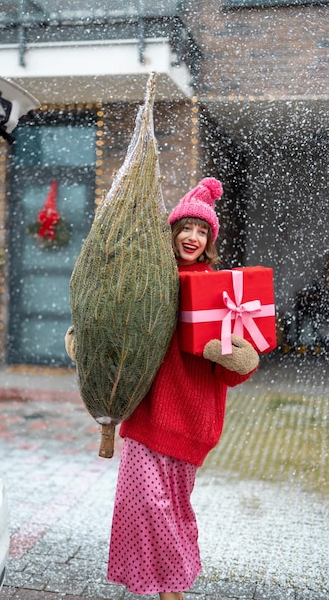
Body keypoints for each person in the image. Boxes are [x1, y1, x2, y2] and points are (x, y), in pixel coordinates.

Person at [105, 177, 259, 600]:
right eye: (186, 228)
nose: (193, 237)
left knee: (170, 513)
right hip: (146, 415)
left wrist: (237, 358)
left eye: (202, 230)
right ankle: (169, 594)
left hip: (191, 420)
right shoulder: (148, 280)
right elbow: (119, 330)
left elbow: (234, 370)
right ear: (172, 232)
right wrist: (90, 342)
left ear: (209, 239)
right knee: (145, 511)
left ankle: (173, 588)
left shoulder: (219, 291)